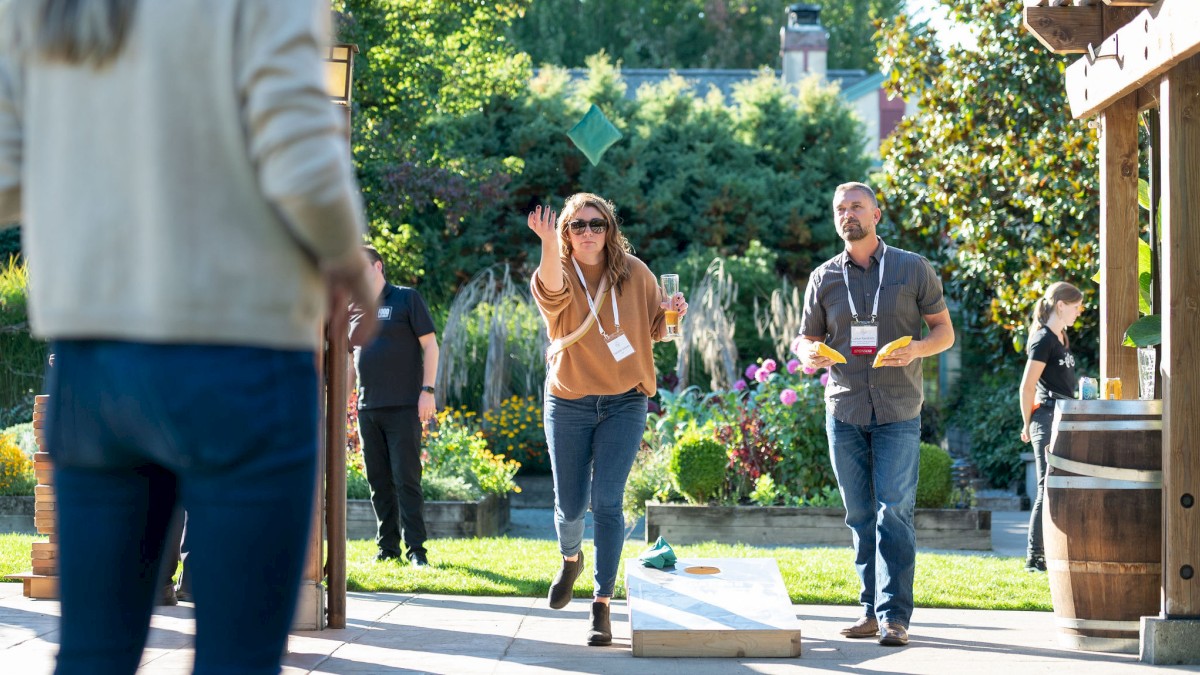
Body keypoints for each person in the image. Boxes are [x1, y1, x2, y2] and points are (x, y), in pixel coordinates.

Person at [0, 2, 378, 673]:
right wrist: (351, 264)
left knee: (91, 655)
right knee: (237, 658)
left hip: (93, 358)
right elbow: (298, 153)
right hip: (242, 346)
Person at [792, 182, 954, 648]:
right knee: (860, 514)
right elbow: (804, 338)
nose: (848, 214)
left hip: (898, 408)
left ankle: (895, 616)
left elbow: (944, 331)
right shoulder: (824, 277)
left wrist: (918, 350)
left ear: (876, 214)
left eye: (856, 206)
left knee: (894, 512)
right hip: (843, 408)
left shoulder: (912, 267)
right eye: (840, 208)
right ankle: (869, 610)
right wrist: (808, 354)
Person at [527, 193, 687, 647]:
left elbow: (659, 328)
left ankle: (602, 603)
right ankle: (570, 557)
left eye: (597, 224)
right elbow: (553, 295)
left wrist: (674, 312)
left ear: (610, 229)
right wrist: (545, 241)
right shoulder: (556, 269)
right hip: (569, 399)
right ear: (566, 233)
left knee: (609, 501)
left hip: (624, 401)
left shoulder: (635, 272)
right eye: (578, 226)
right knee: (571, 504)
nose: (589, 233)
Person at [349, 245, 440, 567]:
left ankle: (417, 551)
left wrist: (427, 391)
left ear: (377, 266)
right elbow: (351, 359)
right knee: (378, 482)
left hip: (403, 406)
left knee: (406, 479)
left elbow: (430, 346)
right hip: (367, 408)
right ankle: (387, 549)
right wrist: (345, 402)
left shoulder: (406, 298)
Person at [1018, 282, 1083, 573]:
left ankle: (1053, 551)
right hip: (1046, 416)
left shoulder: (1061, 337)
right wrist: (1027, 423)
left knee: (1059, 485)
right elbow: (1027, 386)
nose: (1080, 311)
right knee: (1046, 484)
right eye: (1076, 306)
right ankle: (1035, 557)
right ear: (1061, 305)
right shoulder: (1043, 338)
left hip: (1063, 415)